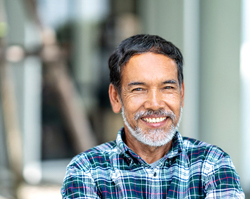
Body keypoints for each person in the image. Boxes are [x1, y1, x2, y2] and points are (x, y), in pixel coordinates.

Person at [61, 34, 244, 198]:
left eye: (167, 88)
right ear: (115, 98)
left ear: (181, 94)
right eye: (139, 89)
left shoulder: (212, 164)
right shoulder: (87, 170)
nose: (155, 104)